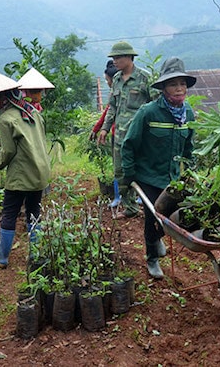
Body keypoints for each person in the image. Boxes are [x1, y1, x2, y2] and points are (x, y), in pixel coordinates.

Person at [120, 57, 197, 279]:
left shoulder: (188, 113)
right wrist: (129, 176)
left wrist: (190, 170)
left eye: (182, 83)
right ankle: (152, 259)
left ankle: (158, 237)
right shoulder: (148, 112)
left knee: (174, 215)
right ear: (163, 88)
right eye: (173, 84)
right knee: (152, 217)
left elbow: (189, 146)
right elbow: (129, 145)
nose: (179, 88)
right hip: (148, 176)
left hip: (174, 177)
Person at [0, 69, 51, 268]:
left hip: (20, 175)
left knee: (9, 213)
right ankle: (37, 255)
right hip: (40, 171)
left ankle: (3, 256)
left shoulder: (5, 118)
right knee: (34, 212)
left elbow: (7, 152)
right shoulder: (32, 111)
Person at [97, 41, 157, 219]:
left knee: (143, 171)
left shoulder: (145, 78)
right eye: (113, 58)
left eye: (118, 57)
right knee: (121, 172)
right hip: (120, 136)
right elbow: (113, 107)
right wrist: (105, 128)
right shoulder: (116, 80)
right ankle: (130, 207)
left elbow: (156, 106)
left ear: (129, 57)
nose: (114, 61)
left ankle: (150, 207)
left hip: (140, 136)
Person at [90, 59, 121, 206]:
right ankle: (119, 196)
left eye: (107, 80)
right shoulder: (113, 94)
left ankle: (133, 197)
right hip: (116, 133)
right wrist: (98, 129)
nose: (107, 83)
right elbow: (108, 112)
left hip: (129, 134)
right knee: (117, 166)